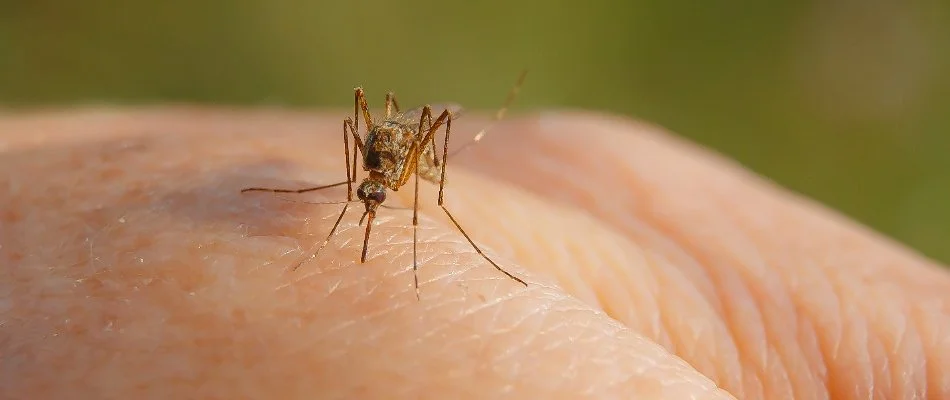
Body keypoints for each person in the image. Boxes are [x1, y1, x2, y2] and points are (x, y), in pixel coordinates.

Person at [2, 108, 947, 399]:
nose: (372, 204)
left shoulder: (406, 167)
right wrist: (340, 188)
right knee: (354, 113)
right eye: (370, 196)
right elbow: (357, 142)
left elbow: (406, 160)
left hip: (421, 155)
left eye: (372, 196)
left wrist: (423, 207)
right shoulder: (363, 166)